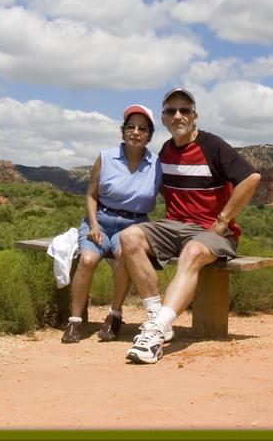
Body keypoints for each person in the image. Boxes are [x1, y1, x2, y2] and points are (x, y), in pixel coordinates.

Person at [119, 87, 261, 364]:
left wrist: (223, 220)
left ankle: (155, 335)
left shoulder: (213, 146)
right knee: (129, 237)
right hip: (175, 227)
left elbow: (251, 178)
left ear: (195, 116)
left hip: (213, 233)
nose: (178, 116)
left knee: (194, 251)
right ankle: (156, 315)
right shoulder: (166, 151)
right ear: (163, 119)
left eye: (184, 110)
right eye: (171, 111)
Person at [61, 104, 162, 344]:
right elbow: (91, 194)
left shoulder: (157, 164)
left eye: (142, 128)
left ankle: (114, 315)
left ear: (149, 135)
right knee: (87, 259)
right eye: (131, 127)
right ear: (123, 131)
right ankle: (75, 321)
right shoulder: (105, 158)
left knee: (126, 258)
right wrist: (93, 225)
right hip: (101, 221)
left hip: (133, 225)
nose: (136, 132)